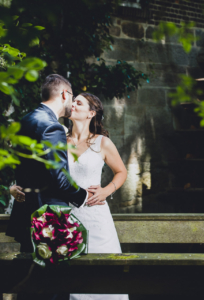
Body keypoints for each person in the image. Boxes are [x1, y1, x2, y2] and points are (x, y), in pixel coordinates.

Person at [10, 91, 129, 300]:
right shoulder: (57, 137)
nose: (72, 104)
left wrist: (106, 190)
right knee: (69, 281)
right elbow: (37, 172)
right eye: (73, 101)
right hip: (63, 217)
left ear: (91, 113)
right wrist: (14, 187)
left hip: (96, 217)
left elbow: (121, 171)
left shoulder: (103, 143)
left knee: (102, 279)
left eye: (79, 103)